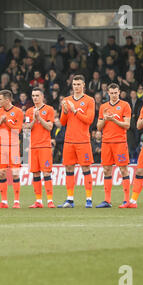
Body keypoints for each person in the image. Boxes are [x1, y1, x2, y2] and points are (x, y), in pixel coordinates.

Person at [58, 75, 95, 208]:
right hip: (69, 141)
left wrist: (74, 111)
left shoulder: (89, 100)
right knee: (69, 168)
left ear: (83, 85)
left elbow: (89, 120)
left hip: (83, 141)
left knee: (85, 168)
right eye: (74, 84)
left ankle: (89, 199)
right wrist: (65, 111)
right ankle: (70, 199)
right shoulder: (67, 100)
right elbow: (63, 122)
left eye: (79, 84)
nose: (76, 87)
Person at [96, 83, 132, 208]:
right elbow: (98, 127)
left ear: (119, 92)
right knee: (106, 170)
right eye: (111, 93)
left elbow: (127, 125)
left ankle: (126, 200)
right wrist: (105, 119)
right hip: (106, 143)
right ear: (108, 93)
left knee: (123, 170)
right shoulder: (103, 107)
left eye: (116, 93)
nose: (114, 95)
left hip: (120, 142)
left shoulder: (125, 105)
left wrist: (113, 120)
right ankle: (107, 201)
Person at [0, 90, 24, 209]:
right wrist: (0, 123)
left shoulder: (18, 112)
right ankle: (4, 202)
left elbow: (18, 129)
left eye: (0, 99)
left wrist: (7, 123)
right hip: (0, 146)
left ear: (7, 100)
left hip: (13, 146)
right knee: (2, 173)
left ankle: (16, 202)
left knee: (15, 174)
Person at [24, 87, 55, 208]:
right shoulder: (28, 111)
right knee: (35, 174)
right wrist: (34, 119)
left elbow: (49, 127)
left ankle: (50, 201)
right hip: (33, 147)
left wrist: (39, 118)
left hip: (44, 146)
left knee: (46, 173)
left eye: (37, 95)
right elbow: (27, 128)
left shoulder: (49, 109)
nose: (35, 98)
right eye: (33, 96)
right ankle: (38, 201)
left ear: (42, 96)